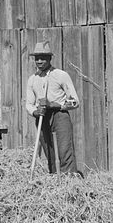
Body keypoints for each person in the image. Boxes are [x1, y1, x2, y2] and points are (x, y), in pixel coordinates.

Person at [24, 42, 83, 177]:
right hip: (42, 117)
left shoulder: (61, 75)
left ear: (50, 58)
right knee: (49, 152)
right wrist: (35, 112)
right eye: (37, 58)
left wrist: (57, 105)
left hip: (59, 116)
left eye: (43, 58)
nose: (39, 61)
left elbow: (75, 101)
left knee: (64, 152)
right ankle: (54, 184)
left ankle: (69, 183)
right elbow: (29, 104)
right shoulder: (32, 80)